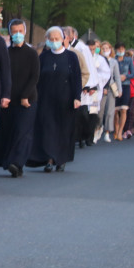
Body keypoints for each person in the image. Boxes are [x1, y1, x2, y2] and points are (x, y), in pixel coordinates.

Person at [28, 27, 81, 172]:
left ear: (63, 39)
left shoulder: (71, 57)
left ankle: (61, 159)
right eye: (51, 39)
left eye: (57, 39)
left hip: (65, 99)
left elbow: (77, 78)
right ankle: (49, 159)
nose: (54, 41)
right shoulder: (44, 57)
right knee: (48, 128)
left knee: (63, 129)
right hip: (46, 98)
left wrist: (77, 97)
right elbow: (37, 77)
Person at [0, 19, 39, 176]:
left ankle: (17, 162)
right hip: (9, 100)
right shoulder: (6, 53)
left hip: (27, 100)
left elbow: (34, 76)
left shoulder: (32, 53)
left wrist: (25, 95)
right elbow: (0, 75)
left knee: (23, 131)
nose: (17, 34)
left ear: (25, 32)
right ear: (10, 33)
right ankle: (11, 163)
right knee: (9, 131)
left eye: (20, 31)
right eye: (14, 31)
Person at [64, 26, 97, 149]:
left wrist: (89, 85)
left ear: (70, 36)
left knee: (84, 113)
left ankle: (84, 137)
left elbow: (87, 66)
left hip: (84, 86)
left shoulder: (81, 48)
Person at [96, 41, 121, 143]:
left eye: (107, 48)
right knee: (100, 111)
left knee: (110, 111)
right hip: (101, 88)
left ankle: (107, 132)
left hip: (111, 87)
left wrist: (119, 89)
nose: (105, 50)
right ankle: (97, 128)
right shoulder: (98, 60)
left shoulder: (114, 62)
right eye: (103, 48)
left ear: (110, 49)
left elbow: (117, 77)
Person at [113, 44, 134, 140]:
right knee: (115, 110)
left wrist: (125, 76)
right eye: (119, 49)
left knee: (124, 109)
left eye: (122, 49)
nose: (120, 51)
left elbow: (133, 74)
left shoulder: (129, 60)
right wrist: (117, 77)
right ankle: (116, 129)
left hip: (125, 85)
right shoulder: (113, 60)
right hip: (115, 86)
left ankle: (120, 131)